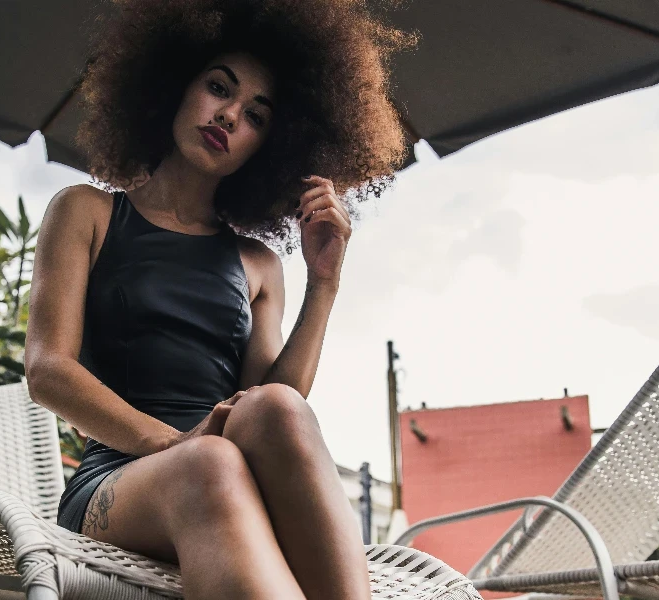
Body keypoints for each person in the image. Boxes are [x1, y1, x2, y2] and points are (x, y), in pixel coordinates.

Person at [24, 1, 416, 598]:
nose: (230, 116)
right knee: (210, 465)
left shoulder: (257, 264)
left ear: (270, 144)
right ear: (174, 84)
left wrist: (324, 282)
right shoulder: (86, 212)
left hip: (226, 469)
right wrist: (176, 443)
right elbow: (48, 369)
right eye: (218, 88)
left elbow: (272, 402)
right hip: (116, 483)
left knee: (275, 411)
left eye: (256, 115)